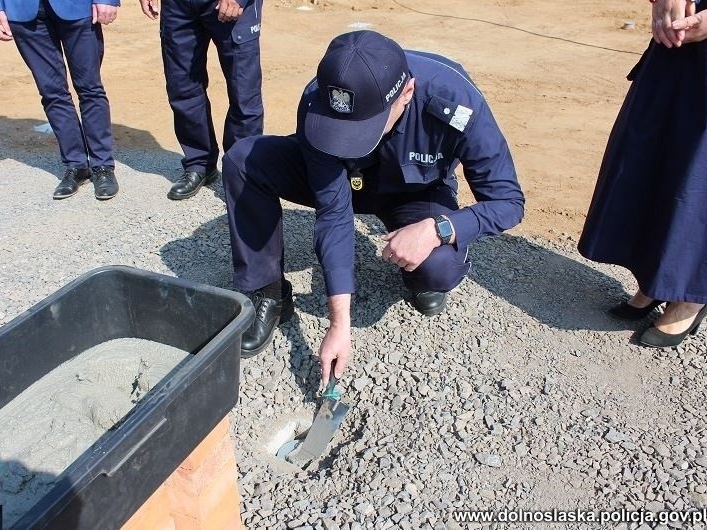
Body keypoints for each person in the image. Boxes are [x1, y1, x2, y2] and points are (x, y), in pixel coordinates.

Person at [223, 31, 524, 381]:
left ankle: (420, 267)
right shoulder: (321, 101)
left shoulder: (456, 99)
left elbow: (508, 202)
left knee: (438, 268)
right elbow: (333, 212)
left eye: (365, 126)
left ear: (406, 93)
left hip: (414, 192)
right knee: (245, 160)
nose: (351, 138)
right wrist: (340, 323)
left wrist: (437, 230)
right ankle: (269, 293)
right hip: (349, 181)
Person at [578, 0, 707, 348]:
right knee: (652, 158)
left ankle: (691, 294)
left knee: (700, 176)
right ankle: (658, 279)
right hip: (678, 37)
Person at [0, 0, 121, 200]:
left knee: (90, 89)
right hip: (23, 11)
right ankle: (76, 165)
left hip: (79, 8)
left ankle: (102, 166)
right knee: (52, 92)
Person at [138, 0, 263, 200]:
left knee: (244, 94)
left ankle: (241, 174)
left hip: (230, 5)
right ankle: (199, 163)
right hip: (178, 7)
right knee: (182, 87)